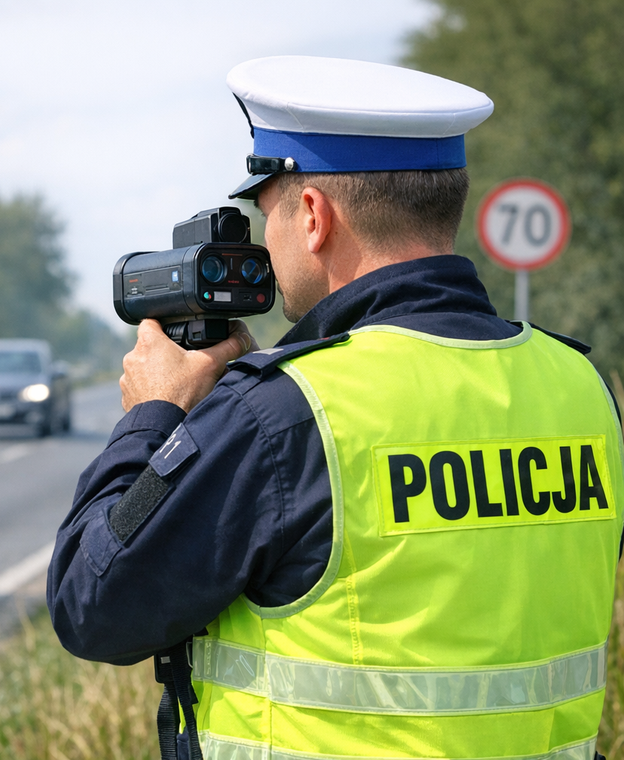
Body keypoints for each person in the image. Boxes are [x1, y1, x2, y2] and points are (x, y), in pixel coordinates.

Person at [47, 55, 624, 760]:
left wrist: (154, 415)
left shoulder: (285, 414)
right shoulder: (581, 386)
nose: (266, 243)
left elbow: (91, 605)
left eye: (267, 214)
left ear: (314, 216)